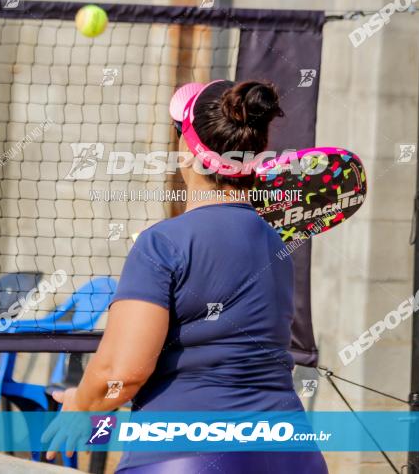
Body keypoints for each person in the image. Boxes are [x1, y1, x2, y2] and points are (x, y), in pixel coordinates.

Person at [44, 79, 328, 473]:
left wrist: (81, 405)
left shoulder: (161, 244)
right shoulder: (277, 244)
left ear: (185, 150)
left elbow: (121, 374)